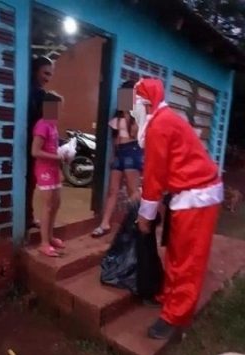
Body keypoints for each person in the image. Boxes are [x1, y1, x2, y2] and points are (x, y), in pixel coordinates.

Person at [133, 78, 223, 340]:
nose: (132, 110)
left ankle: (176, 315)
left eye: (135, 103)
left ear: (144, 103)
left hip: (197, 196)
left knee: (188, 260)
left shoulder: (159, 125)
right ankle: (169, 297)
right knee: (176, 252)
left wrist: (145, 215)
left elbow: (154, 176)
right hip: (187, 193)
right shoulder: (163, 120)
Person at [92, 81, 143, 237]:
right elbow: (115, 138)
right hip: (120, 153)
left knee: (132, 192)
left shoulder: (139, 114)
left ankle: (136, 224)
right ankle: (105, 224)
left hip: (133, 152)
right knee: (112, 190)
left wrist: (133, 114)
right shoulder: (118, 114)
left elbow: (140, 137)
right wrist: (114, 156)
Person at [31, 93, 67, 257]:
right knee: (47, 206)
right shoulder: (42, 125)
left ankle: (50, 237)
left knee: (56, 203)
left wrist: (59, 167)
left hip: (53, 170)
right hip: (44, 170)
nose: (60, 111)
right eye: (58, 108)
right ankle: (43, 243)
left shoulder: (53, 126)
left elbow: (54, 149)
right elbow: (35, 151)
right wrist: (58, 157)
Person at [27, 56, 55, 228]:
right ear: (35, 70)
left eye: (50, 75)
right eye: (45, 73)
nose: (47, 78)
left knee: (31, 185)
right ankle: (28, 220)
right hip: (36, 146)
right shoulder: (40, 95)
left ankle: (28, 218)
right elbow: (51, 124)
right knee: (33, 186)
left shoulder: (31, 91)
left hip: (33, 144)